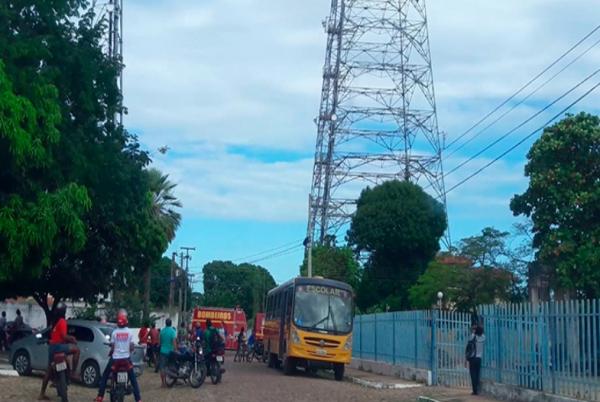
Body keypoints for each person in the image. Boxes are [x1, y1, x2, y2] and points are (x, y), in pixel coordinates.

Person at [95, 309, 142, 402]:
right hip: (126, 360)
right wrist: (130, 350)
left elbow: (113, 346)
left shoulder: (114, 332)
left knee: (105, 376)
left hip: (115, 360)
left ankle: (100, 396)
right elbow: (132, 346)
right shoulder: (129, 332)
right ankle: (138, 399)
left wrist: (111, 352)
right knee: (133, 380)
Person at [38, 302, 80, 401]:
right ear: (64, 312)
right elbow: (64, 336)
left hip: (52, 348)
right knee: (77, 350)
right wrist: (72, 338)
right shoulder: (62, 321)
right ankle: (73, 373)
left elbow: (55, 336)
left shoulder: (54, 322)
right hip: (59, 347)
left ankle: (42, 394)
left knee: (48, 371)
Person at [158, 319, 177, 388]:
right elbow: (174, 341)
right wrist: (175, 349)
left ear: (165, 323)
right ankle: (173, 379)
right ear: (171, 323)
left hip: (163, 351)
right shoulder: (173, 331)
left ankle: (163, 383)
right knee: (172, 366)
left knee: (162, 367)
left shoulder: (162, 331)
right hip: (170, 352)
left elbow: (159, 342)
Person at [467, 325, 485, 395]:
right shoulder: (483, 337)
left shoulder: (473, 336)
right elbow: (482, 332)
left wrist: (473, 329)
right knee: (477, 374)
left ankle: (475, 390)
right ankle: (477, 389)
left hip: (473, 358)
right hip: (479, 358)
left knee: (473, 374)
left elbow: (471, 331)